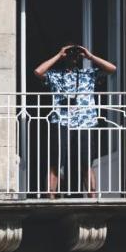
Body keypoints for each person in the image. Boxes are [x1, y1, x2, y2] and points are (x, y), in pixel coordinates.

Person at [33, 44, 117, 195]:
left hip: (84, 121)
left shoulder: (88, 74)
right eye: (70, 54)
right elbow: (38, 71)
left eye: (75, 54)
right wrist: (59, 54)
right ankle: (50, 196)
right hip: (61, 120)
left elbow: (112, 69)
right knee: (56, 162)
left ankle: (92, 197)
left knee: (86, 162)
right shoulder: (55, 75)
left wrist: (90, 56)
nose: (73, 57)